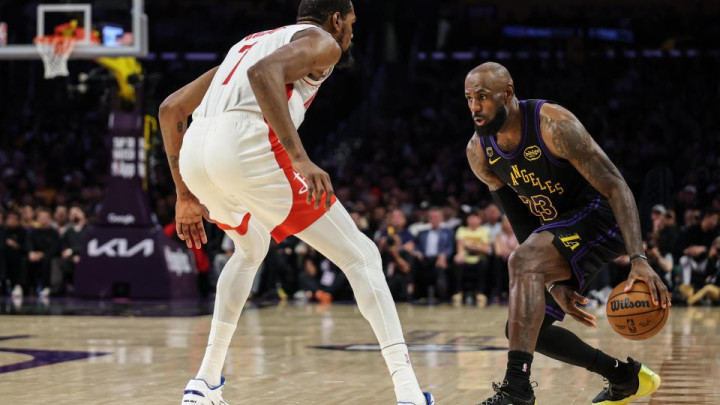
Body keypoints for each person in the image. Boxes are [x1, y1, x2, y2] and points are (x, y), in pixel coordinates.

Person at [159, 1, 432, 404]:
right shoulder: (324, 42)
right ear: (335, 19)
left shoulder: (248, 44)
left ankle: (205, 382)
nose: (352, 33)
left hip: (197, 155)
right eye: (351, 23)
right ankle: (408, 391)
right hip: (243, 146)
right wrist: (300, 158)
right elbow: (264, 74)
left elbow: (171, 108)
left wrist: (184, 194)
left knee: (249, 249)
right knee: (362, 257)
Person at [464, 62, 671, 405]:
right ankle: (624, 377)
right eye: (469, 98)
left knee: (522, 262)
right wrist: (551, 281)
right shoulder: (478, 152)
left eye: (482, 97)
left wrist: (638, 258)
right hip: (559, 231)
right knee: (523, 330)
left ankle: (516, 389)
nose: (474, 107)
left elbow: (616, 186)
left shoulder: (553, 124)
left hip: (602, 217)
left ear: (508, 93)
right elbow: (522, 221)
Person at [413, 207, 454, 301]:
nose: (434, 219)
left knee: (441, 266)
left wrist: (443, 255)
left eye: (437, 217)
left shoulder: (448, 232)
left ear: (441, 219)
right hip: (424, 259)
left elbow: (450, 247)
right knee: (415, 263)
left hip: (440, 258)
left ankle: (442, 297)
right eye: (432, 217)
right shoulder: (422, 233)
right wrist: (418, 253)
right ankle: (417, 295)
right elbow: (417, 247)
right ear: (429, 219)